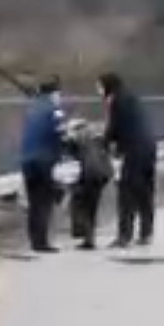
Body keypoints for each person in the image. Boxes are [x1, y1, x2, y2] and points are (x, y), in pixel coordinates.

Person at [98, 72, 157, 248]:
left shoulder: (117, 100)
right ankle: (146, 232)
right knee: (145, 192)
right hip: (148, 147)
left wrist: (104, 142)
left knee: (126, 193)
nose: (99, 90)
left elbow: (114, 127)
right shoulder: (131, 97)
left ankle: (124, 236)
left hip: (135, 151)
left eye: (100, 86)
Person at [18, 75, 66, 253]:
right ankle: (42, 242)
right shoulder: (55, 109)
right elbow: (60, 134)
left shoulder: (32, 108)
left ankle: (34, 240)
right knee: (44, 201)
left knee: (34, 202)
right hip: (43, 160)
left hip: (27, 159)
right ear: (54, 93)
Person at [62, 119, 113, 250]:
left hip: (89, 173)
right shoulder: (97, 136)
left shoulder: (77, 138)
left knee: (78, 204)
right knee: (92, 205)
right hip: (104, 173)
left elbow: (68, 153)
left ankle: (83, 233)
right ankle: (89, 239)